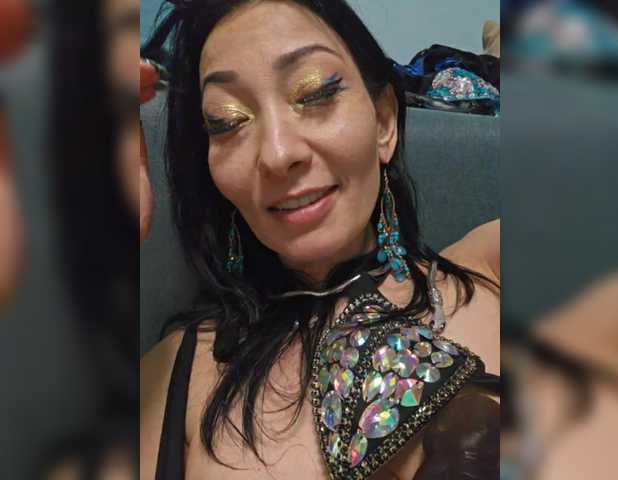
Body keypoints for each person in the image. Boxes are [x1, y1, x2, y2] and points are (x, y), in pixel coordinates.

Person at [140, 1, 500, 479]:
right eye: (228, 121)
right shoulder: (174, 375)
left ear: (384, 122)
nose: (277, 153)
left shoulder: (492, 267)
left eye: (314, 93)